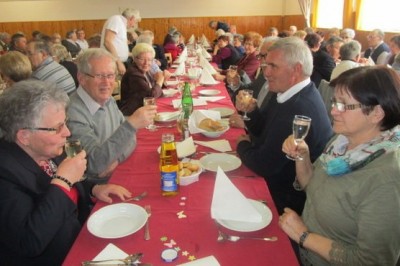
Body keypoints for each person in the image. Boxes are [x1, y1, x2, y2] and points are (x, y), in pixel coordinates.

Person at [0, 79, 132, 265]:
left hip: (80, 235)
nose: (68, 132)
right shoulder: (5, 173)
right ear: (24, 136)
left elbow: (70, 182)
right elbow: (29, 241)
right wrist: (62, 181)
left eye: (65, 123)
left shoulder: (45, 149)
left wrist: (93, 189)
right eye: (57, 128)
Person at [280, 66, 400, 266]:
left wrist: (304, 236)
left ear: (377, 113)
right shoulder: (341, 142)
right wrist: (303, 156)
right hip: (300, 248)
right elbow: (313, 187)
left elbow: (373, 261)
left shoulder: (387, 178)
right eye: (334, 102)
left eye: (344, 105)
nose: (333, 110)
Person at [235, 37, 333, 215]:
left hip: (285, 201)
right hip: (276, 180)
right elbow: (263, 130)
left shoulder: (298, 110)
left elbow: (263, 164)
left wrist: (242, 144)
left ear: (296, 69)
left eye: (273, 66)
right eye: (266, 66)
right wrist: (252, 111)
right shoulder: (288, 92)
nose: (266, 73)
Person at [67, 48, 157, 182]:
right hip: (97, 190)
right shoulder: (73, 113)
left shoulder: (106, 99)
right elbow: (96, 165)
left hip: (117, 172)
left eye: (110, 75)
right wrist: (131, 125)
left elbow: (130, 139)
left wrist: (116, 160)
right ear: (82, 78)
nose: (107, 83)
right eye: (99, 76)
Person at [120, 43, 163, 116]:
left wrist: (160, 81)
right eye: (142, 59)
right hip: (131, 115)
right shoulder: (133, 74)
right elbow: (150, 96)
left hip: (142, 111)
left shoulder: (145, 71)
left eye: (149, 60)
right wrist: (160, 81)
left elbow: (157, 92)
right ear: (134, 58)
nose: (146, 63)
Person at [101, 8, 141, 75]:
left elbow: (118, 47)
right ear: (132, 18)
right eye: (136, 22)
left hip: (116, 62)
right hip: (112, 62)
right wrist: (118, 62)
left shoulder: (121, 24)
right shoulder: (116, 20)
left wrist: (135, 55)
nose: (134, 25)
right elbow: (107, 42)